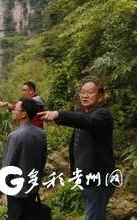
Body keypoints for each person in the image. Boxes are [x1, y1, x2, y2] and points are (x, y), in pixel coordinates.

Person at [38, 80, 116, 220]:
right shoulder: (85, 115)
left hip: (98, 178)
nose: (85, 95)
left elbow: (88, 122)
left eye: (90, 92)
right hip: (87, 177)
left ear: (100, 97)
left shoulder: (102, 115)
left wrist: (59, 114)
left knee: (93, 216)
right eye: (83, 92)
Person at [2, 97, 47, 219]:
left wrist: (4, 183)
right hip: (32, 186)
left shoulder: (15, 136)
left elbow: (8, 166)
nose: (13, 111)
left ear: (23, 114)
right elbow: (42, 160)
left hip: (16, 189)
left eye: (15, 109)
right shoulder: (41, 134)